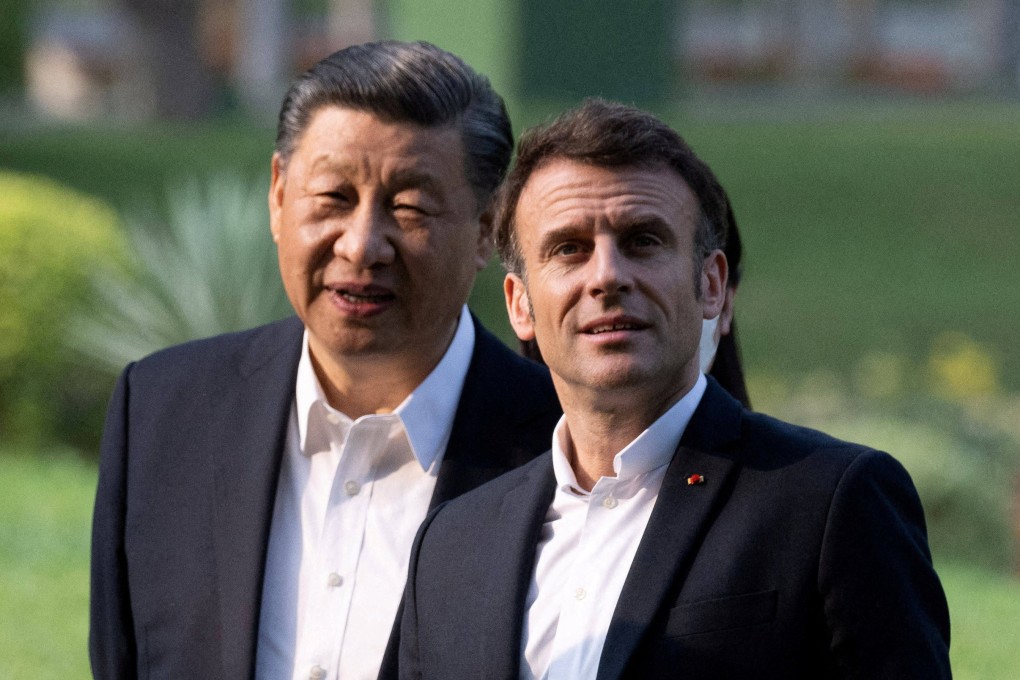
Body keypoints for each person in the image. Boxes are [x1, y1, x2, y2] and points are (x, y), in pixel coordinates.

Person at [398, 98, 951, 679]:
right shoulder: (450, 545)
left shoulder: (831, 501)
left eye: (642, 241)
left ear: (711, 285)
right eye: (569, 249)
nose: (607, 276)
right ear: (519, 304)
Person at [89, 41, 561, 680]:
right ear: (279, 195)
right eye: (334, 196)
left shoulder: (562, 450)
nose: (362, 246)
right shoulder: (163, 411)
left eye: (410, 208)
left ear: (486, 229)